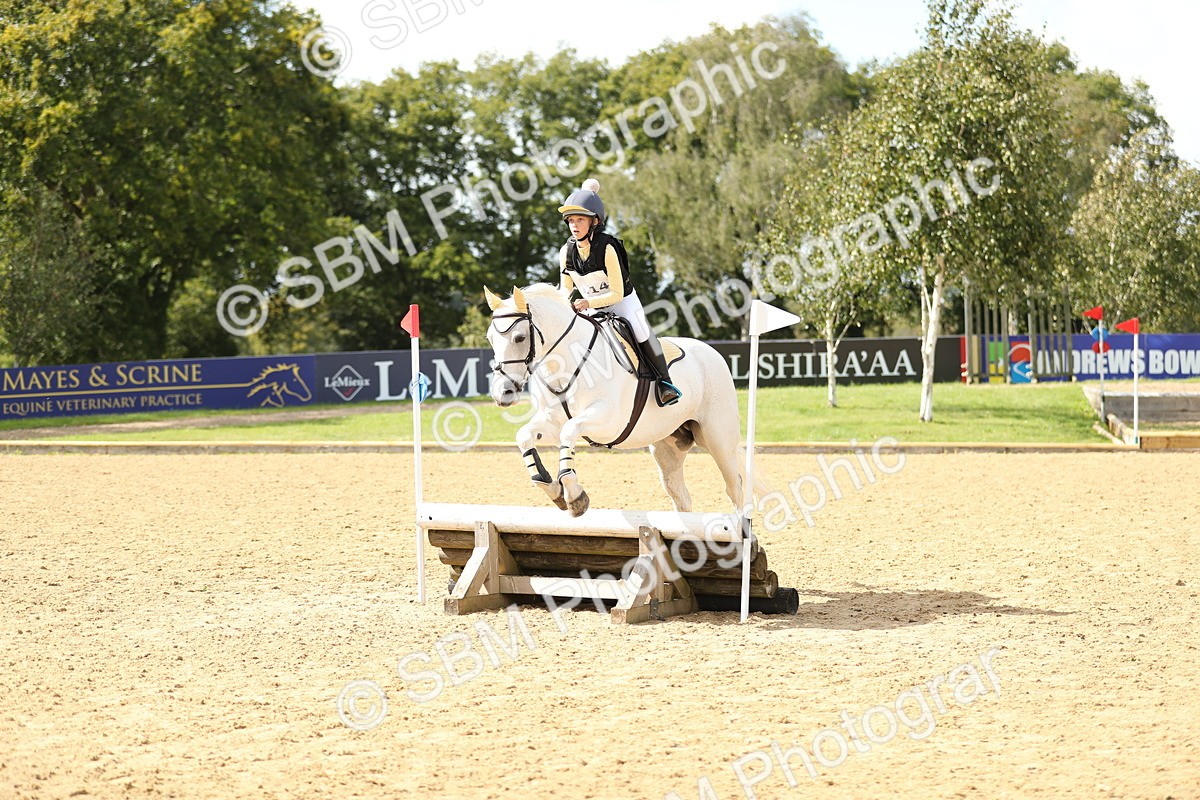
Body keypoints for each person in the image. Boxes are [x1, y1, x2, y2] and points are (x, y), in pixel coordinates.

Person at [556, 179, 682, 406]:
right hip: (591, 305)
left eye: (580, 220)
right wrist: (563, 304)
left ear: (594, 222)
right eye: (571, 220)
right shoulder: (566, 251)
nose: (574, 225)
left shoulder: (608, 247)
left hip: (621, 301)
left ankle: (665, 382)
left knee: (640, 329)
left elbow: (617, 293)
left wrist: (587, 302)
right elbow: (566, 287)